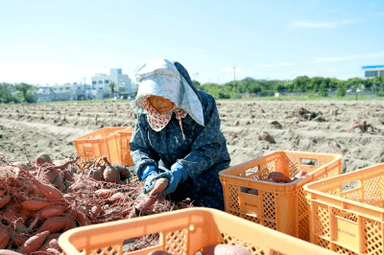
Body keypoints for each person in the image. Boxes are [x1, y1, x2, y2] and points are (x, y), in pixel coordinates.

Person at [129, 58, 230, 211]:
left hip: (208, 174)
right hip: (168, 174)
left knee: (209, 215)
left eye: (163, 96)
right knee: (169, 215)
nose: (159, 104)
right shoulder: (147, 110)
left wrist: (180, 171)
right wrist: (149, 172)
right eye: (153, 98)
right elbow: (139, 147)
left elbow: (210, 147)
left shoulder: (202, 105)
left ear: (176, 91)